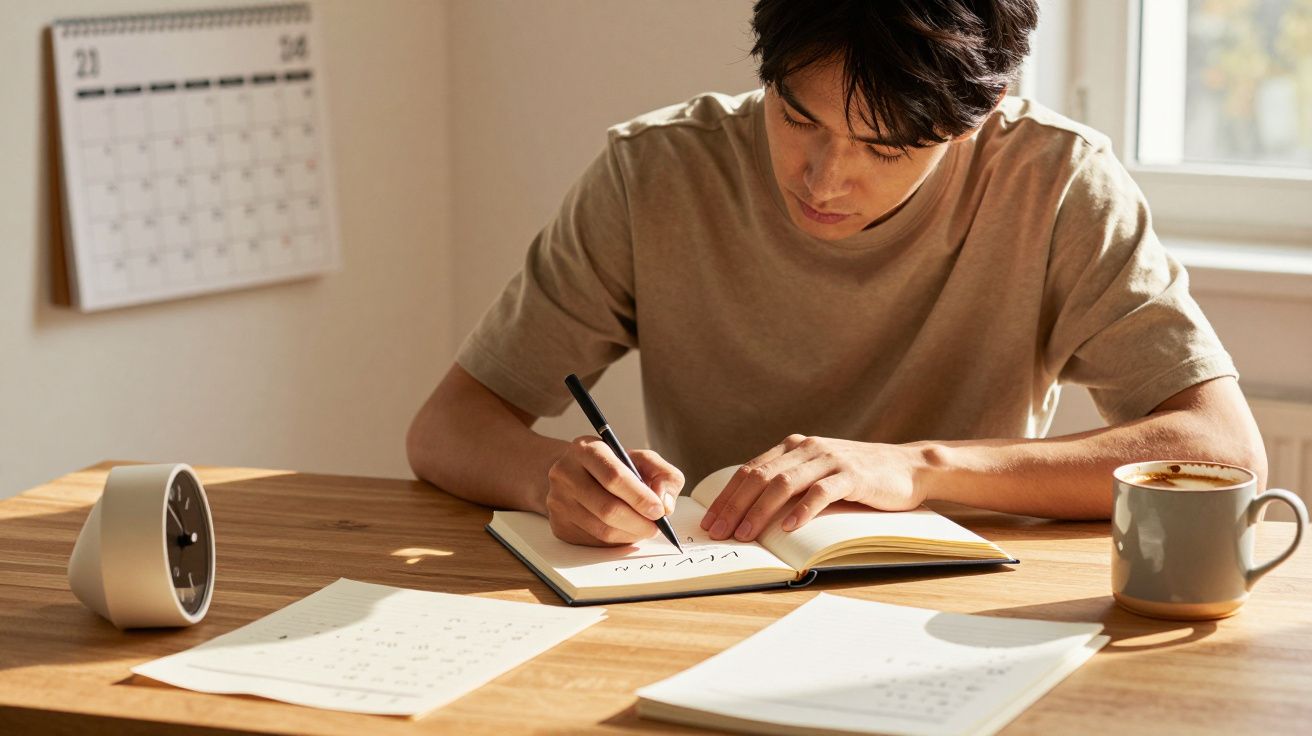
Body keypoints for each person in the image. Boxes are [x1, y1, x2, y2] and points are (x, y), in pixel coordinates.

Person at [407, 0, 1265, 547]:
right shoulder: (656, 174)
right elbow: (447, 427)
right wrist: (551, 480)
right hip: (714, 594)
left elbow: (1223, 451)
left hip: (965, 606)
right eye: (796, 117)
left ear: (976, 119)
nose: (822, 181)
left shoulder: (1058, 181)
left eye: (884, 150)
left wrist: (918, 468)